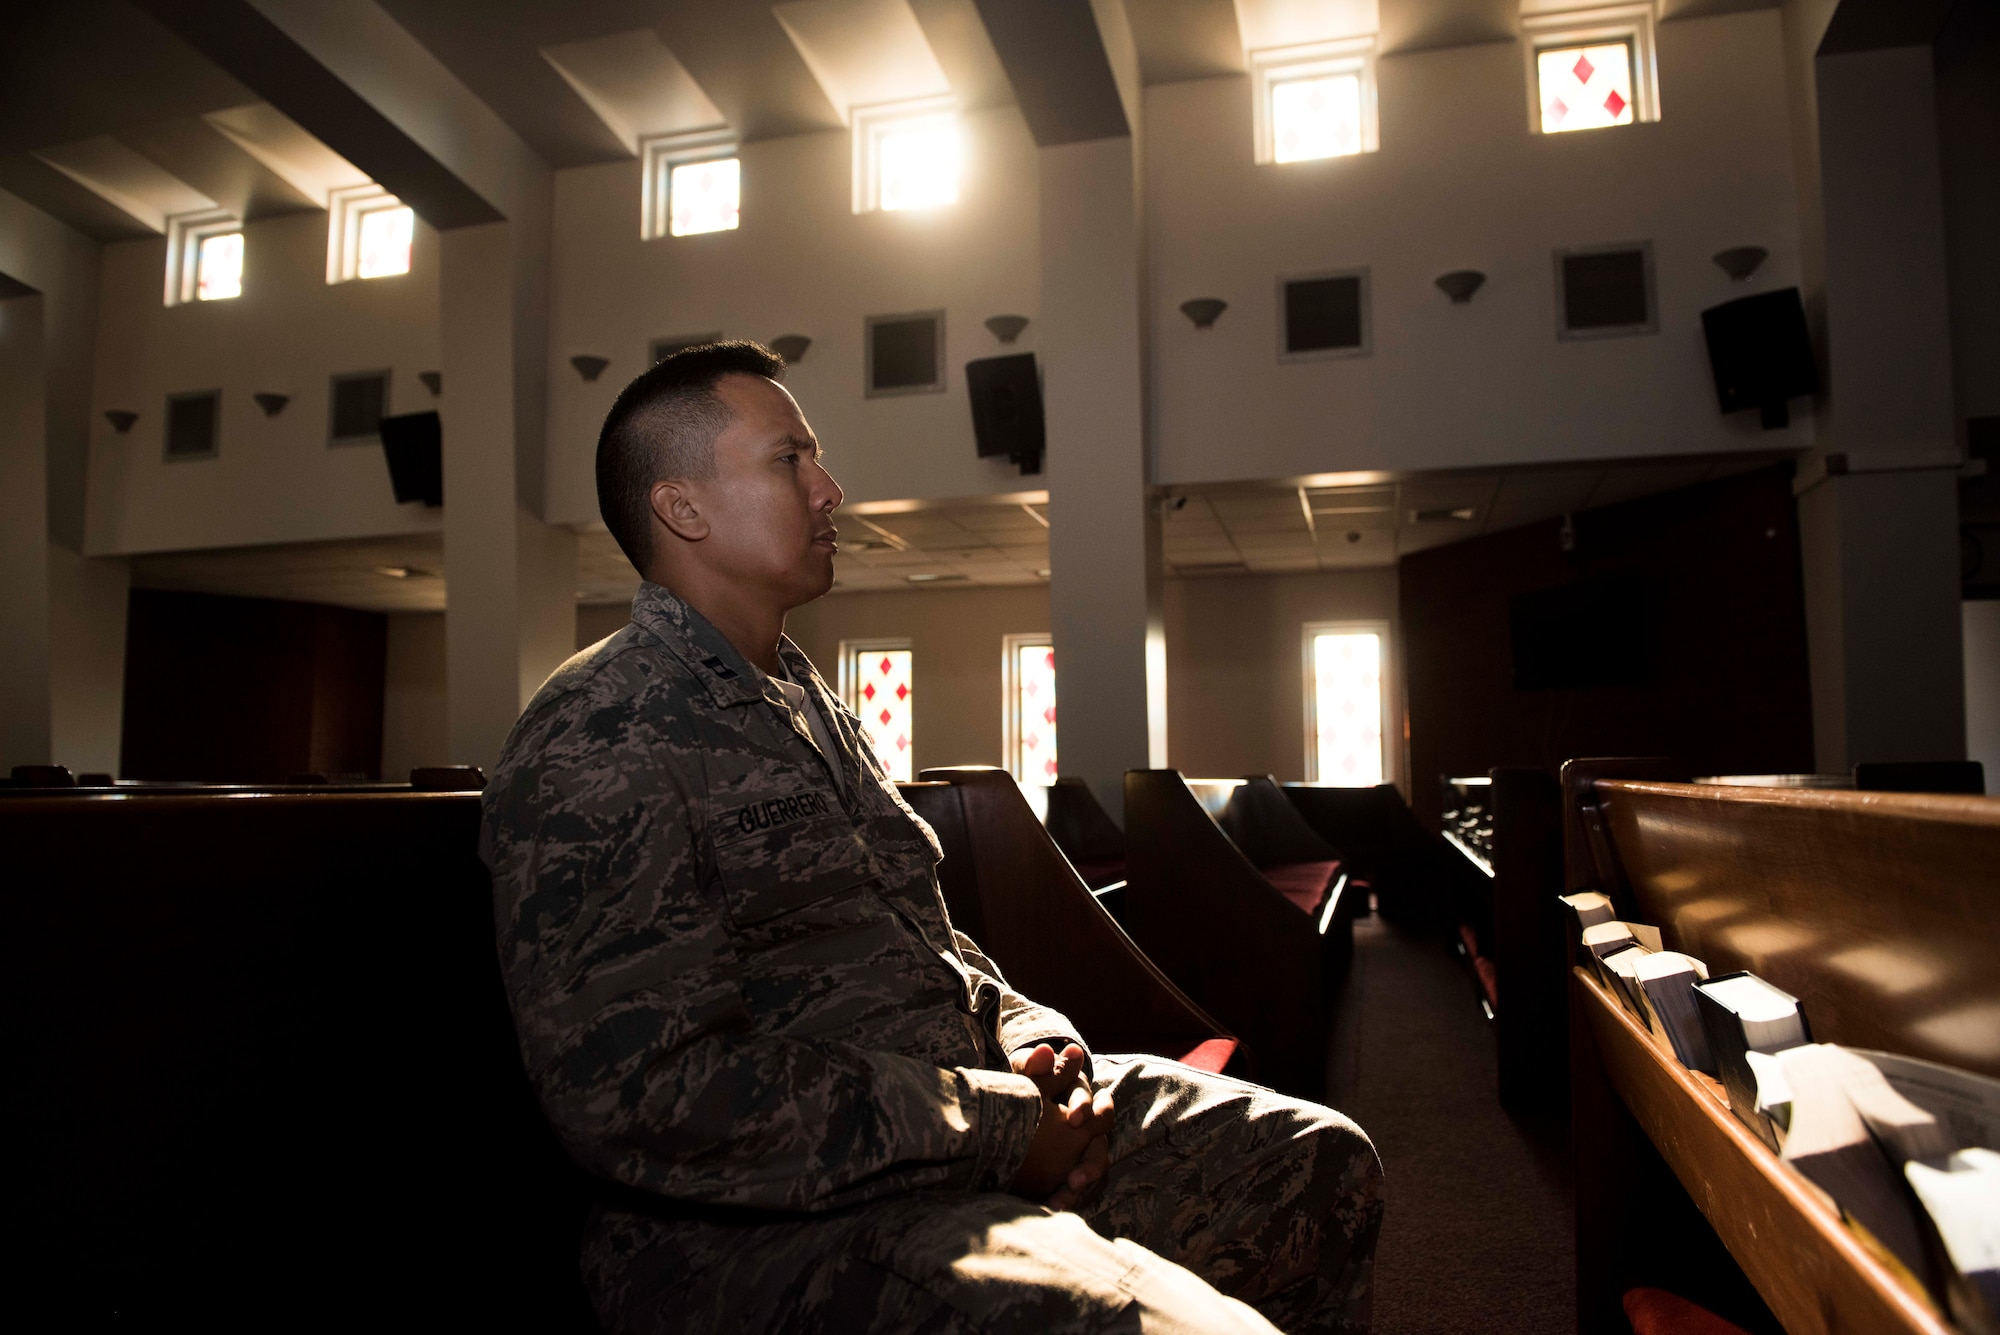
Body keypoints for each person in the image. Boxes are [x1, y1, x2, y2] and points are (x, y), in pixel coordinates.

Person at [480, 342, 1383, 1333]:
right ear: (682, 507)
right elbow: (642, 1095)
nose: (829, 489)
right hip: (758, 1230)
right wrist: (997, 1128)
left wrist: (1032, 1041)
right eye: (789, 460)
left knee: (1315, 1162)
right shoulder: (601, 729)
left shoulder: (807, 701)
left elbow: (923, 943)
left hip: (951, 1135)